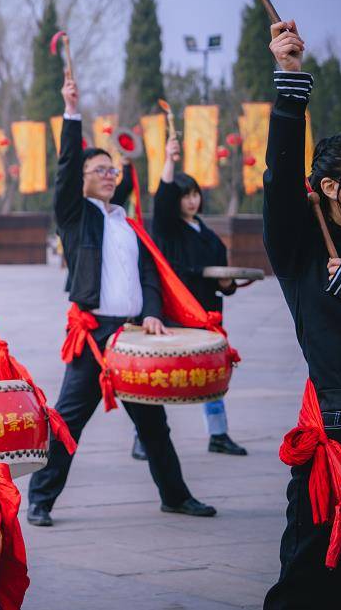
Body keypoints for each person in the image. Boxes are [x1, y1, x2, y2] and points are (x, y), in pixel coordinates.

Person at [25, 73, 216, 528]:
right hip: (94, 334)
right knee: (68, 420)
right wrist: (72, 113)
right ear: (83, 181)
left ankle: (175, 495)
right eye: (100, 171)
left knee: (153, 425)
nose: (110, 177)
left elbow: (148, 273)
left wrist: (151, 313)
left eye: (113, 171)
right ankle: (40, 501)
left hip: (132, 334)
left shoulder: (128, 223)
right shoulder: (76, 217)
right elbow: (67, 168)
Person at [262, 20, 341, 609]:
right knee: (314, 578)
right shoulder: (303, 246)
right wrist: (288, 79)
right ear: (332, 187)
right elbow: (281, 174)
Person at [146, 134, 246, 458]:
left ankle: (218, 434)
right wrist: (169, 159)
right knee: (161, 379)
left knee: (211, 377)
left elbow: (222, 279)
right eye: (185, 196)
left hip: (205, 316)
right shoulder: (167, 229)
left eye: (195, 195)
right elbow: (161, 201)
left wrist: (230, 285)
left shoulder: (210, 236)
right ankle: (143, 436)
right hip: (174, 314)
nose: (191, 202)